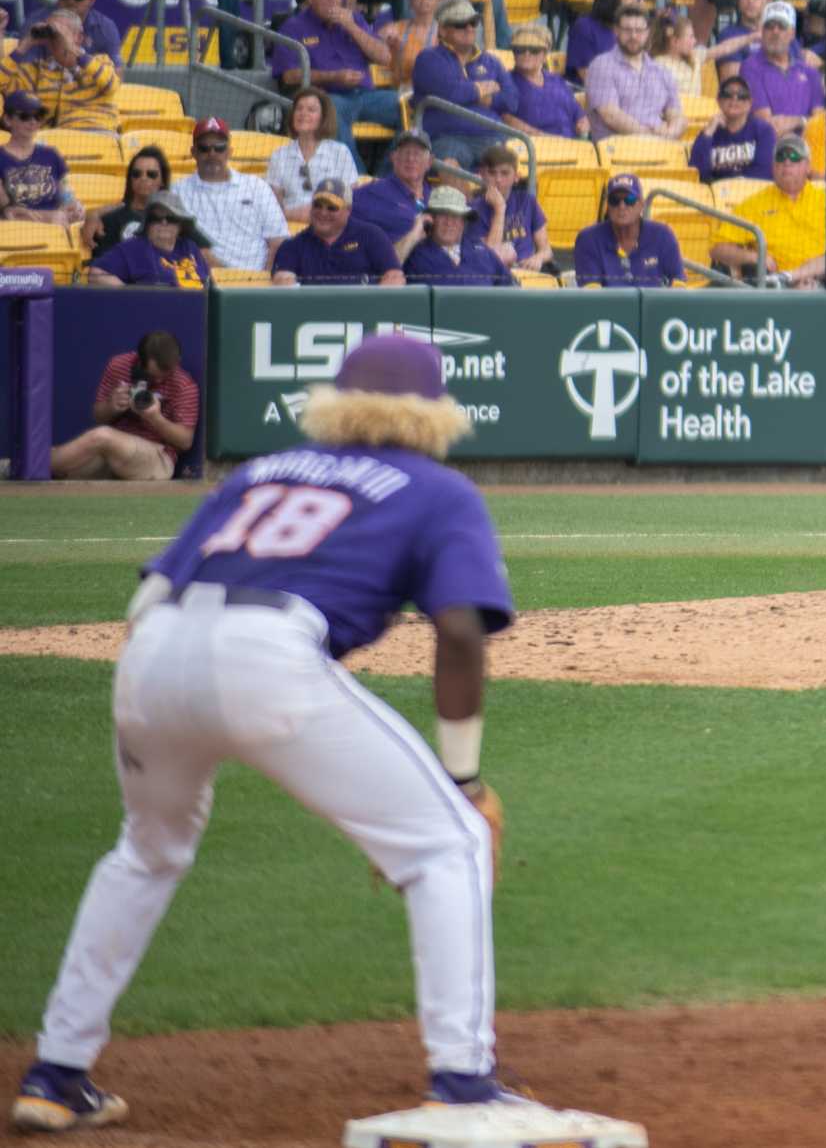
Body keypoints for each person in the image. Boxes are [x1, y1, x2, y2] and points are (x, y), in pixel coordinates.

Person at [14, 333, 565, 1135]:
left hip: (152, 654)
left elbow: (151, 593)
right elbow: (458, 630)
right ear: (436, 412)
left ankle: (55, 1073)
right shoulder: (437, 488)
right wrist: (464, 779)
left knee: (146, 851)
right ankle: (464, 1083)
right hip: (269, 656)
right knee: (449, 844)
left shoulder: (262, 470)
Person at [710, 132, 826, 284]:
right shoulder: (753, 204)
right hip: (776, 283)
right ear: (773, 167)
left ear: (808, 167)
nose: (787, 162)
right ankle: (789, 278)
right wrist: (753, 257)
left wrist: (810, 272)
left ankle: (795, 276)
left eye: (795, 157)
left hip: (825, 279)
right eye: (781, 157)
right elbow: (718, 249)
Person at [271, 0, 401, 148]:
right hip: (328, 97)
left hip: (366, 96)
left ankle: (390, 171)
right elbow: (289, 76)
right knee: (330, 109)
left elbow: (384, 57)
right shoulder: (293, 27)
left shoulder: (353, 19)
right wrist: (334, 77)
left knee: (410, 105)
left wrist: (351, 27)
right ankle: (356, 174)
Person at [47, 330, 199, 481]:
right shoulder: (119, 365)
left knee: (101, 435)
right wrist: (111, 406)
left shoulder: (184, 385)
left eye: (166, 374)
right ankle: (41, 464)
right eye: (153, 376)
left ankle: (38, 466)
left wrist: (155, 418)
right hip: (112, 451)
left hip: (156, 457)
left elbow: (185, 441)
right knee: (65, 462)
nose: (159, 381)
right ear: (140, 360)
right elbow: (98, 416)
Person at [412, 0, 516, 165]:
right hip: (446, 137)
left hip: (490, 136)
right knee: (450, 161)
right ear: (443, 30)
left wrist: (484, 98)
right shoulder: (428, 59)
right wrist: (480, 89)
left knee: (508, 166)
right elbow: (450, 92)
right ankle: (459, 194)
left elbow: (511, 101)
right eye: (461, 24)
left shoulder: (491, 61)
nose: (469, 28)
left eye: (473, 22)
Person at [173, 118, 286, 269]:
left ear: (229, 152)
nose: (212, 154)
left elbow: (277, 241)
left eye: (219, 147)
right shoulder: (177, 192)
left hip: (256, 281)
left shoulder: (256, 186)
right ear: (193, 152)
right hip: (205, 282)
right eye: (204, 148)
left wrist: (264, 282)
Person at [0, 9, 119, 132]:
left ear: (78, 37)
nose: (54, 38)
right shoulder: (35, 71)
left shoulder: (100, 61)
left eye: (58, 33)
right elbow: (2, 87)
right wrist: (24, 46)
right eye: (51, 34)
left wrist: (72, 48)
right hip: (55, 140)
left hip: (97, 135)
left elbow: (111, 85)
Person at [271, 177, 403, 285]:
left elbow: (395, 277)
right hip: (314, 314)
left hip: (363, 314)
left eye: (332, 208)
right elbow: (282, 281)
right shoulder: (293, 245)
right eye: (317, 205)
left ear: (348, 210)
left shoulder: (371, 236)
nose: (323, 212)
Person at [584, 5, 684, 141]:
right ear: (616, 31)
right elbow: (611, 116)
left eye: (639, 30)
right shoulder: (602, 66)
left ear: (648, 32)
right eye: (627, 30)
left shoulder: (660, 71)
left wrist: (671, 132)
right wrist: (652, 137)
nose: (633, 36)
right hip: (619, 152)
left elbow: (676, 114)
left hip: (662, 148)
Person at [573, 170, 685, 287]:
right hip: (607, 305)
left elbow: (678, 284)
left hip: (654, 305)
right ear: (608, 206)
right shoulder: (588, 239)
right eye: (614, 200)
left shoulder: (662, 235)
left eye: (629, 200)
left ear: (641, 205)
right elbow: (592, 297)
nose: (622, 206)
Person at [265, 88, 359, 219]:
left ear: (323, 117)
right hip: (290, 226)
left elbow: (350, 200)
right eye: (299, 108)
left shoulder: (340, 152)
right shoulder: (279, 156)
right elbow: (274, 208)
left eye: (311, 110)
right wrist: (295, 215)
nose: (303, 113)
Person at [85, 189, 210, 287]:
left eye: (171, 219)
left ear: (181, 225)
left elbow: (208, 282)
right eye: (155, 218)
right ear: (147, 224)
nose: (164, 223)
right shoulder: (134, 248)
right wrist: (134, 299)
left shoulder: (189, 247)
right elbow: (96, 274)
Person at [741, 0, 825, 137]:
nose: (775, 32)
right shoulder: (750, 67)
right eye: (769, 26)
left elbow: (820, 123)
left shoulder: (810, 72)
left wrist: (798, 121)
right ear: (761, 32)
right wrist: (804, 121)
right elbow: (768, 126)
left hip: (808, 148)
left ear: (792, 33)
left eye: (781, 26)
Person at [350, 128, 434, 259]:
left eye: (417, 154)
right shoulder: (372, 193)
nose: (411, 159)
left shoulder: (438, 197)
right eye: (405, 153)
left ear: (429, 162)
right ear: (393, 157)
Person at [402, 184, 510, 285]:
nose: (449, 222)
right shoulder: (415, 255)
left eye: (455, 216)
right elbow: (390, 276)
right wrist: (413, 235)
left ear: (464, 221)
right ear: (430, 218)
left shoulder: (483, 252)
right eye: (442, 215)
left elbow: (510, 289)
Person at [86, 145, 182, 259]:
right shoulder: (111, 220)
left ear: (162, 180)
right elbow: (104, 266)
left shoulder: (177, 219)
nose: (143, 178)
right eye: (136, 174)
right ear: (130, 179)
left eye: (151, 174)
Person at [464, 144, 547, 273]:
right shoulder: (473, 210)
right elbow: (489, 257)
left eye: (505, 173)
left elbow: (546, 249)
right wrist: (499, 209)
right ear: (481, 175)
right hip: (495, 276)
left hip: (527, 272)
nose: (498, 179)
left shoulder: (527, 201)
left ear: (516, 177)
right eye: (492, 173)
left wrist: (538, 258)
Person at [0, 90, 80, 224]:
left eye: (38, 116)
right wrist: (48, 217)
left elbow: (65, 194)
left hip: (55, 232)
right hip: (15, 235)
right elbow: (9, 213)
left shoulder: (51, 154)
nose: (32, 122)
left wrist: (74, 207)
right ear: (7, 120)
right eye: (25, 116)